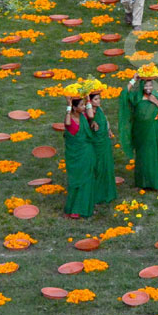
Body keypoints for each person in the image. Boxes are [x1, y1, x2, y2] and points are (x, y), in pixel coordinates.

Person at [118, 64, 158, 190]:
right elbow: (123, 94)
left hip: (154, 131)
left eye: (150, 85)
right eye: (146, 85)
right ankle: (143, 182)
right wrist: (134, 79)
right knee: (143, 156)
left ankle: (156, 182)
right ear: (142, 86)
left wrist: (156, 102)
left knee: (154, 154)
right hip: (140, 132)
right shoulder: (136, 96)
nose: (149, 87)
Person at [62, 85, 97, 218]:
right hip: (76, 154)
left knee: (87, 179)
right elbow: (67, 123)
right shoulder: (70, 119)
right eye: (81, 105)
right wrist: (68, 106)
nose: (84, 107)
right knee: (77, 180)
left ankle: (84, 208)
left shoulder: (83, 116)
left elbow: (90, 114)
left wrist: (87, 98)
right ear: (75, 108)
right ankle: (74, 208)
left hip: (86, 152)